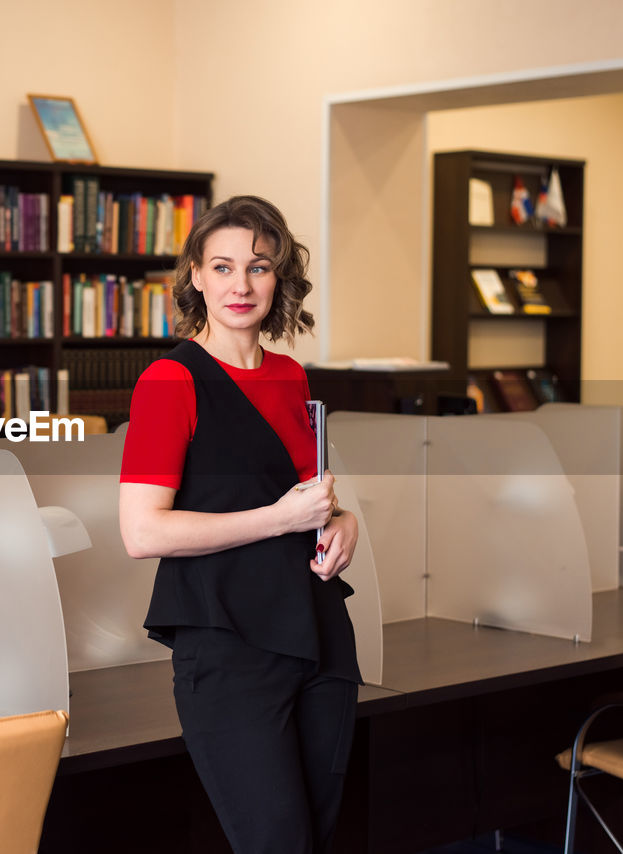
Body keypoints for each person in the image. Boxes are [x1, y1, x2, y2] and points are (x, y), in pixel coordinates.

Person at [118, 195, 361, 854]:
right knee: (276, 843)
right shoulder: (170, 380)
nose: (241, 285)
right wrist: (278, 518)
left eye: (258, 267)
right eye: (222, 267)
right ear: (195, 275)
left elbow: (303, 500)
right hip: (228, 648)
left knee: (320, 836)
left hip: (318, 634)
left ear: (278, 278)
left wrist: (341, 522)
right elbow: (142, 533)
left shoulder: (289, 376)